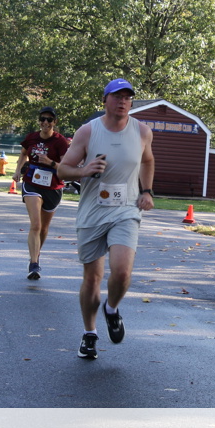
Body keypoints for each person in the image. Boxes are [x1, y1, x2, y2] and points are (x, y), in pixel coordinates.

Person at [57, 79, 154, 360]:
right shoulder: (88, 131)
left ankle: (111, 309)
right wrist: (84, 170)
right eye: (116, 96)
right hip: (93, 212)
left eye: (127, 97)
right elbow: (63, 170)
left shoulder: (142, 131)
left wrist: (147, 190)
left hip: (126, 210)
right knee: (93, 278)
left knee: (122, 271)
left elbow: (147, 160)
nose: (122, 101)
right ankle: (89, 333)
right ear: (105, 100)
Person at [13, 106, 72, 280]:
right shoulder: (31, 137)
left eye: (49, 119)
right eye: (42, 119)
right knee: (36, 224)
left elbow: (66, 168)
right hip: (32, 182)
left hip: (53, 186)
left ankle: (36, 254)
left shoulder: (60, 142)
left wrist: (50, 162)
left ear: (55, 122)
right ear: (39, 121)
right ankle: (33, 264)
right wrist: (17, 170)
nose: (45, 122)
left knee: (44, 228)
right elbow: (23, 153)